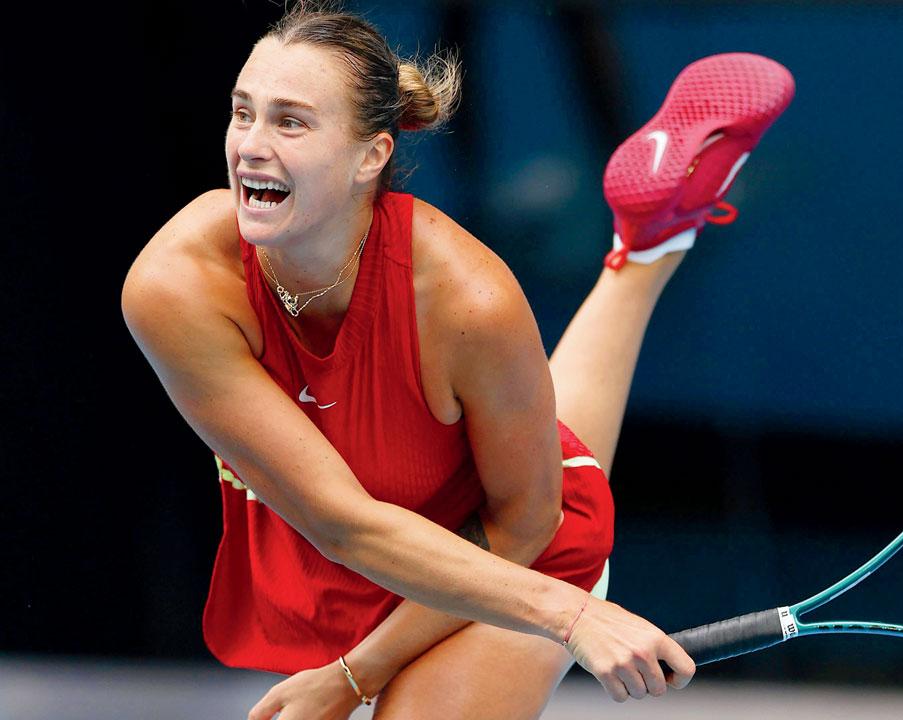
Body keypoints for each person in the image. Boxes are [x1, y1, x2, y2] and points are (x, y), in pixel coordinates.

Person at [122, 4, 793, 719]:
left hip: (512, 552)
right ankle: (648, 245)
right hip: (358, 544)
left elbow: (527, 521)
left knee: (552, 478)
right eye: (243, 113)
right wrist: (354, 674)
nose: (251, 145)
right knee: (531, 445)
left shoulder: (467, 299)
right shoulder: (179, 286)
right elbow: (342, 524)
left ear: (370, 155)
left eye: (290, 122)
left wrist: (561, 613)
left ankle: (645, 254)